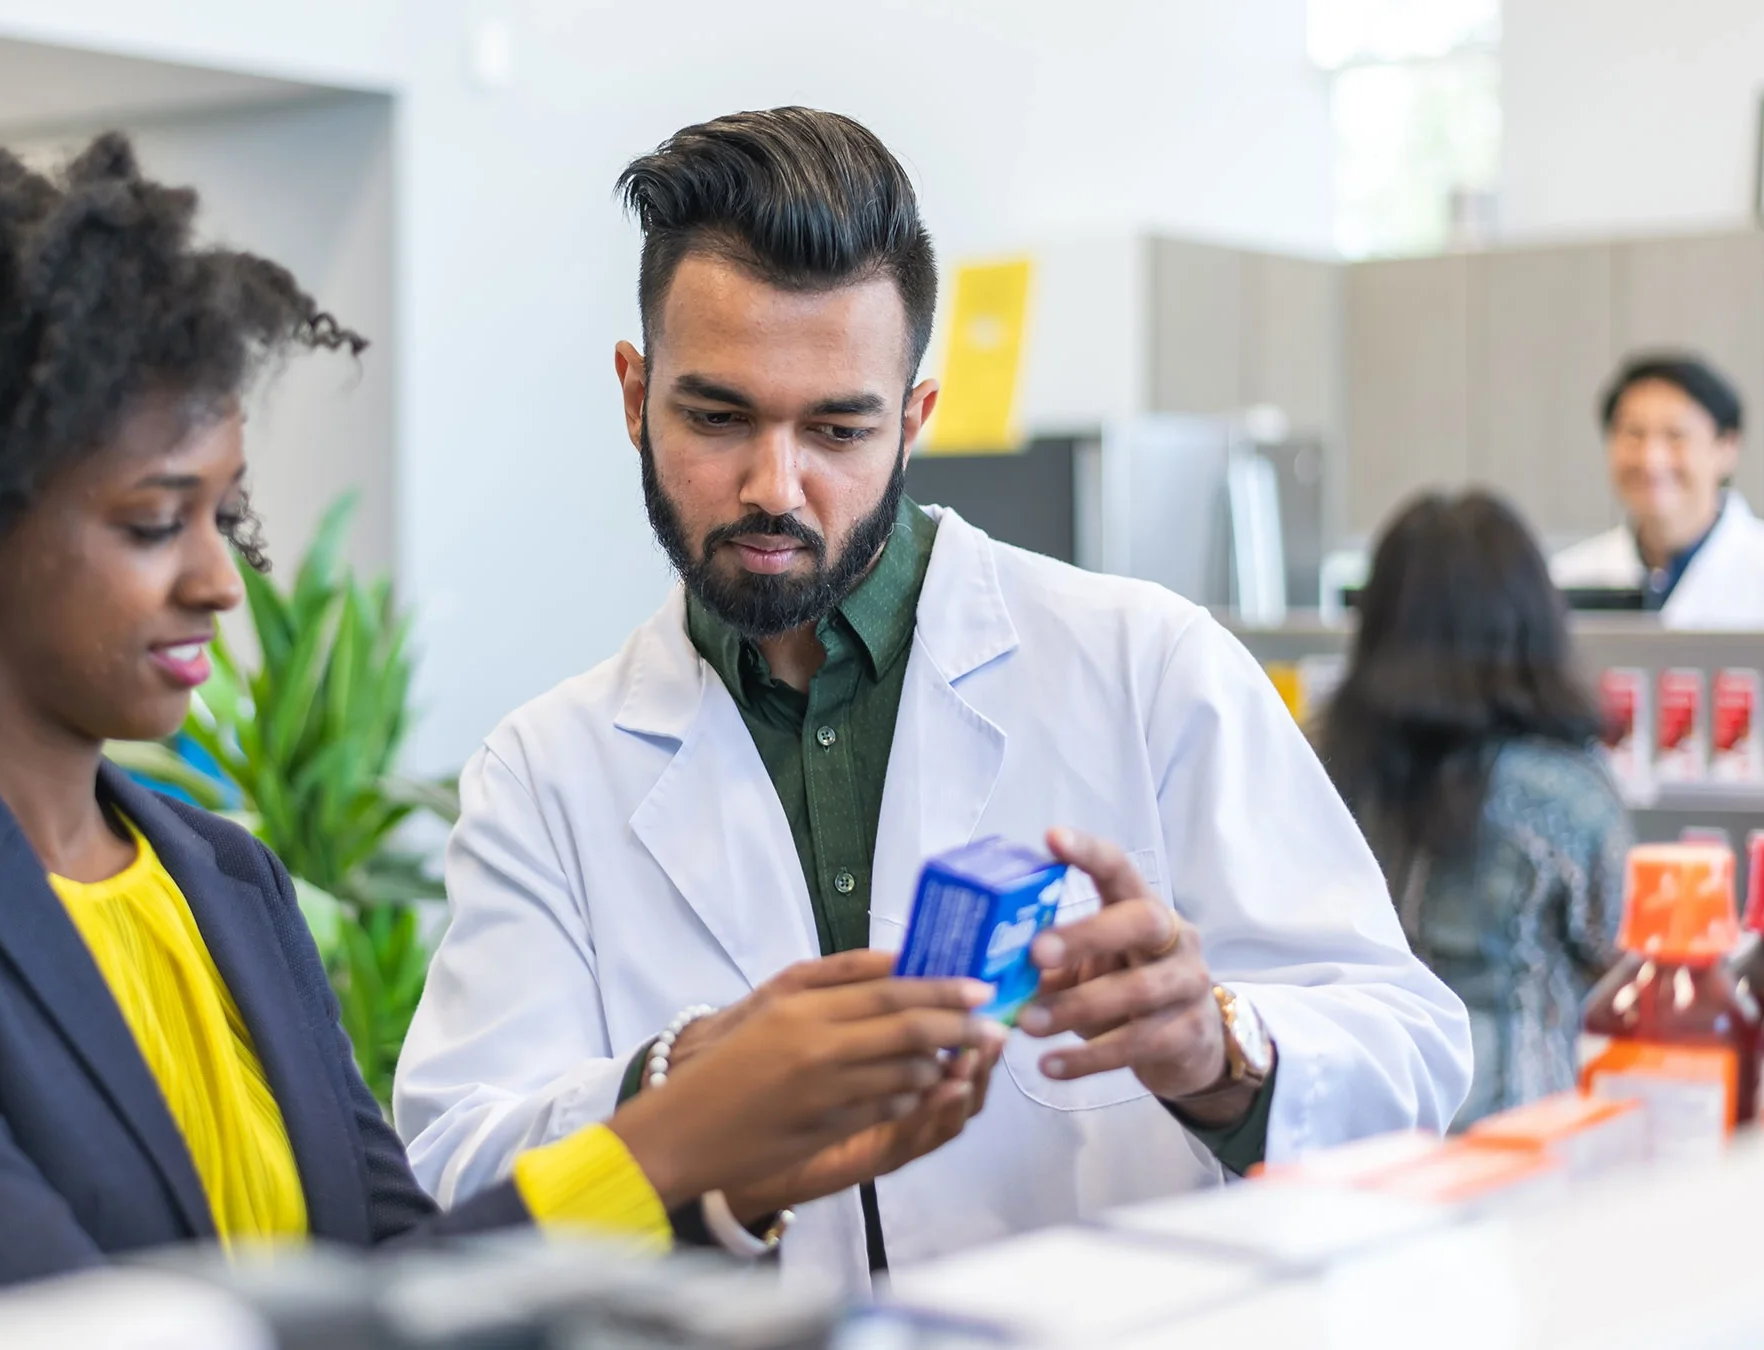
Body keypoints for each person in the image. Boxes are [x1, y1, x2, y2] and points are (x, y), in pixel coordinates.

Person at [0, 134, 1008, 1293]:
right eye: (153, 521)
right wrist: (669, 1132)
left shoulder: (224, 881)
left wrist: (730, 1167)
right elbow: (92, 1328)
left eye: (225, 513)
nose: (222, 578)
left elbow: (401, 1276)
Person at [394, 107, 1472, 1296]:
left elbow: (1410, 1047)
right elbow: (460, 1169)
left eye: (838, 428)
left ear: (913, 419)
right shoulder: (546, 772)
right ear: (634, 393)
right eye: (716, 417)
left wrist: (1221, 1046)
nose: (774, 486)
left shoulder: (1148, 666)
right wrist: (686, 1085)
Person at [1321, 492, 1629, 1129]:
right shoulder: (1560, 796)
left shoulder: (1326, 771)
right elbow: (1624, 960)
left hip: (1357, 1125)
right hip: (1520, 1137)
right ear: (1532, 621)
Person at [1551, 352, 1764, 628]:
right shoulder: (1563, 577)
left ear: (1727, 447)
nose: (1651, 459)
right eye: (1633, 434)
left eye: (1675, 435)